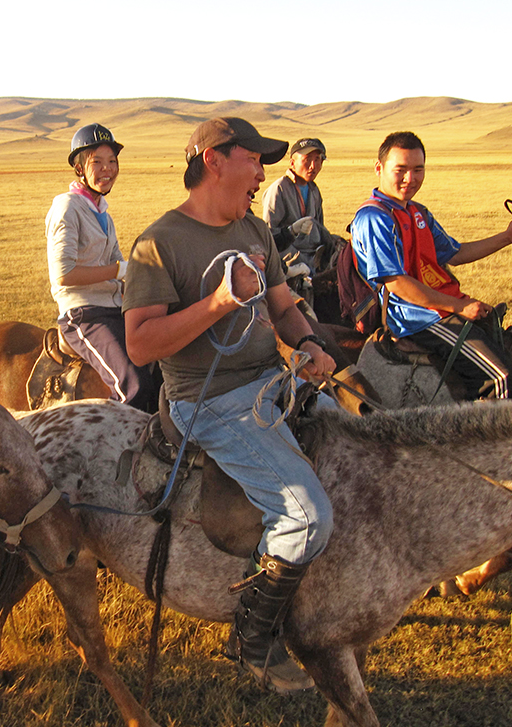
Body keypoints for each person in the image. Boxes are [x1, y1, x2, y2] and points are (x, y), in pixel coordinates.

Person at [123, 117, 336, 693]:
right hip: (209, 401)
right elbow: (141, 345)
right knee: (306, 514)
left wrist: (310, 342)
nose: (263, 172)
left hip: (275, 379)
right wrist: (219, 301)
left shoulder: (255, 229)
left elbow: (284, 305)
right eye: (254, 159)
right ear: (214, 160)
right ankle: (253, 637)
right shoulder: (159, 243)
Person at [349, 131, 512, 399]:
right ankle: (483, 440)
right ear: (379, 168)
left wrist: (507, 237)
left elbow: (455, 253)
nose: (410, 179)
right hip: (414, 318)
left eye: (418, 169)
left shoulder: (417, 212)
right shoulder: (373, 218)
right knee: (499, 378)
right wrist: (459, 306)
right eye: (400, 170)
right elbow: (396, 282)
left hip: (440, 307)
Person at [45, 123, 154, 411]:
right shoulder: (67, 207)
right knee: (133, 385)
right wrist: (118, 271)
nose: (107, 169)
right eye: (97, 162)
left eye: (112, 162)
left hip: (114, 307)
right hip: (84, 314)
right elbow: (63, 274)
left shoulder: (103, 212)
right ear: (79, 168)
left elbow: (119, 265)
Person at [260, 137, 337, 275]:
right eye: (307, 159)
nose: (313, 166)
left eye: (318, 159)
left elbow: (320, 226)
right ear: (292, 163)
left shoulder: (314, 190)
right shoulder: (279, 189)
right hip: (291, 258)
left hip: (314, 254)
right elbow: (270, 237)